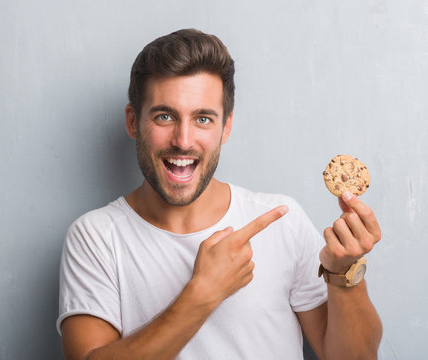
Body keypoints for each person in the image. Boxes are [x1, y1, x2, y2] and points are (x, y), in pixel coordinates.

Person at [57, 29, 382, 360]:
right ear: (133, 122)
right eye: (164, 116)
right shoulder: (95, 237)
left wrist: (343, 273)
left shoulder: (282, 221)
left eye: (202, 118)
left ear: (225, 126)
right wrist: (202, 294)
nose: (183, 140)